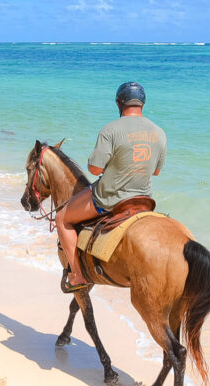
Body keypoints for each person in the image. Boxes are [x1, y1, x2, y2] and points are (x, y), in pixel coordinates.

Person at [55, 81, 167, 292]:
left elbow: (95, 169)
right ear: (142, 103)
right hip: (144, 199)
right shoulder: (159, 132)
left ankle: (77, 275)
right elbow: (156, 171)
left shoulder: (111, 130)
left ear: (119, 103)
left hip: (111, 199)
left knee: (62, 218)